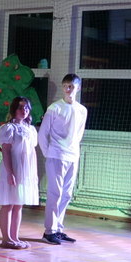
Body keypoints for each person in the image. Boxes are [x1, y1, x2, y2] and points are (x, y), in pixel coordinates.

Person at [37, 73, 87, 245]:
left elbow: (78, 134)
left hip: (73, 156)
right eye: (65, 86)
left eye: (71, 86)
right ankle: (49, 231)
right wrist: (49, 153)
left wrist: (73, 151)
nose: (68, 89)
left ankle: (58, 228)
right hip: (56, 155)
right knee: (55, 193)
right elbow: (43, 133)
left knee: (66, 194)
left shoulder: (82, 110)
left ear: (78, 88)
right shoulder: (54, 108)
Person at [0, 97, 39, 249]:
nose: (24, 110)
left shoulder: (30, 129)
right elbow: (6, 151)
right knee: (8, 204)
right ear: (14, 109)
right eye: (20, 107)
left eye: (26, 108)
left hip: (25, 170)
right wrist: (10, 172)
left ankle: (14, 237)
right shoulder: (9, 128)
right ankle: (6, 239)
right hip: (13, 168)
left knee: (18, 204)